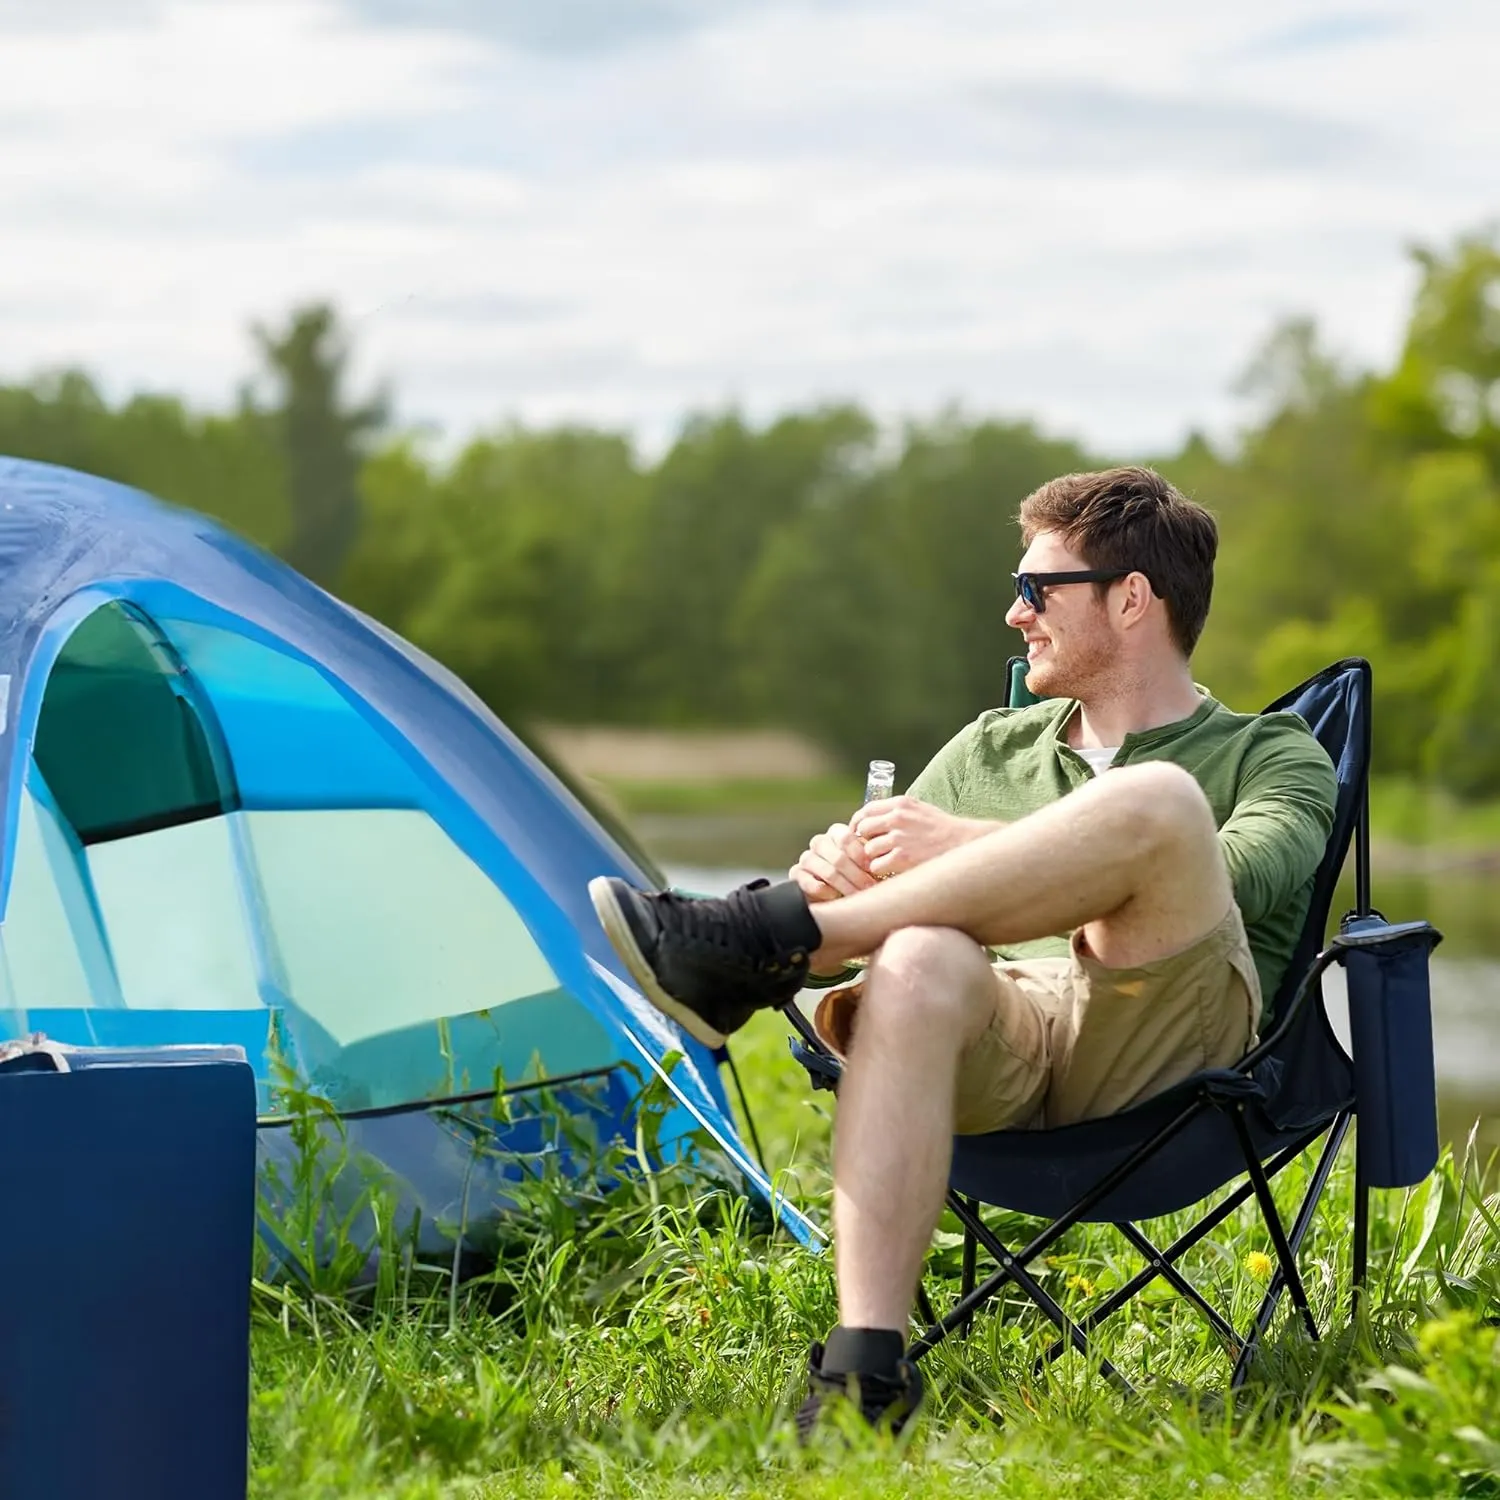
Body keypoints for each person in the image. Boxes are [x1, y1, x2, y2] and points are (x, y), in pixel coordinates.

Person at [589, 466, 1337, 1437]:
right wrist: (834, 884)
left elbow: (1232, 879)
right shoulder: (986, 751)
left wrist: (959, 849)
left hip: (1166, 1046)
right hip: (998, 1043)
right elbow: (860, 950)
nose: (1013, 612)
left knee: (1159, 805)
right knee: (912, 962)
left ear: (1132, 598)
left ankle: (759, 933)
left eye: (1037, 589)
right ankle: (865, 1378)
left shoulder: (1272, 756)